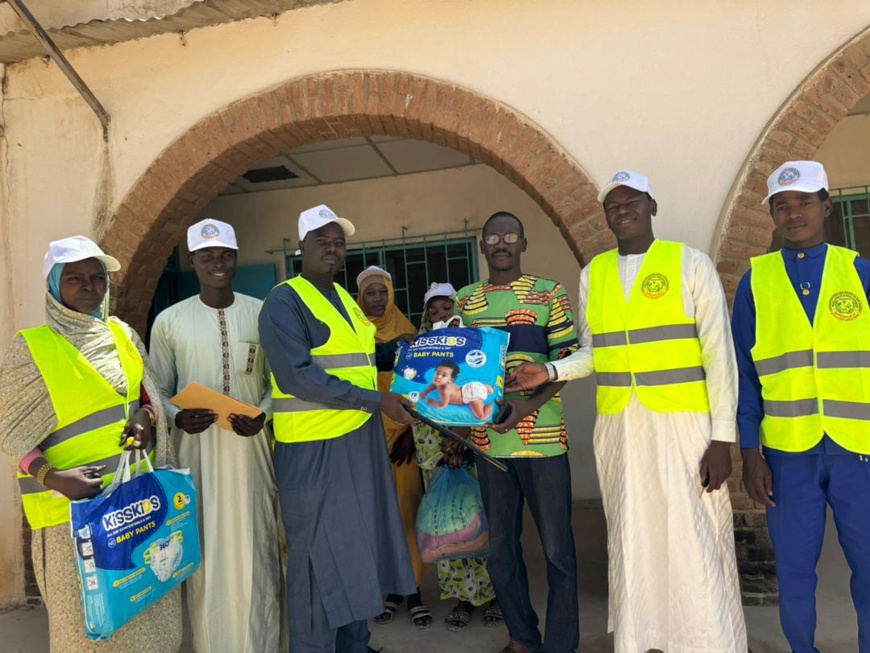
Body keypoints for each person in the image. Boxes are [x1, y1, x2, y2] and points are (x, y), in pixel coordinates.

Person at [508, 171, 747, 652]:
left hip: (685, 426)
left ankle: (708, 639)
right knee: (633, 533)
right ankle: (646, 638)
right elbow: (596, 351)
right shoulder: (593, 274)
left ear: (651, 206)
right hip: (620, 426)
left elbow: (720, 355)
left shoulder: (689, 263)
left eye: (631, 200)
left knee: (692, 534)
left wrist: (723, 439)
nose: (622, 209)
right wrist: (550, 371)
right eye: (612, 205)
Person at [0, 236, 182, 653]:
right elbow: (9, 429)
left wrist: (147, 416)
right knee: (89, 629)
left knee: (147, 606)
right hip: (73, 516)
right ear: (53, 286)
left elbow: (145, 393)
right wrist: (53, 477)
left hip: (136, 503)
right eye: (75, 278)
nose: (89, 287)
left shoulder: (122, 334)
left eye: (97, 278)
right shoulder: (32, 348)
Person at [258, 204, 417, 653]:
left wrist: (408, 354)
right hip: (313, 450)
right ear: (301, 247)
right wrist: (376, 400)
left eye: (339, 242)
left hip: (357, 441)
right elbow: (297, 376)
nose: (332, 248)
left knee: (356, 551)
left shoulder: (346, 300)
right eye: (321, 241)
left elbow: (360, 363)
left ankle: (354, 644)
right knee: (315, 563)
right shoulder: (284, 301)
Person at [731, 160, 870, 652]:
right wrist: (751, 453)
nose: (794, 213)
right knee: (794, 573)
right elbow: (745, 376)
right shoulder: (756, 282)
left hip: (860, 453)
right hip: (789, 457)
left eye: (804, 202)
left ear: (826, 206)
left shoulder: (859, 273)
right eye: (782, 205)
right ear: (771, 214)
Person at [149, 219, 283, 653]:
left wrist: (264, 414)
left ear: (237, 257)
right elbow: (157, 390)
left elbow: (277, 382)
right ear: (192, 261)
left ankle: (262, 643)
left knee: (257, 551)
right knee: (203, 555)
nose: (217, 263)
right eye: (206, 256)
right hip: (198, 456)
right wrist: (175, 416)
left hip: (251, 454)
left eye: (225, 254)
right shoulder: (169, 321)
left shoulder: (262, 312)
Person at [454, 211, 580, 653]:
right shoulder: (466, 301)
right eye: (493, 237)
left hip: (544, 442)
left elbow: (567, 363)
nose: (501, 243)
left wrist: (528, 404)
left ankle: (561, 645)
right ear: (483, 246)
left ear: (523, 243)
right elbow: (454, 369)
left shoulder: (549, 294)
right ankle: (523, 637)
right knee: (502, 554)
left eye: (510, 235)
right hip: (489, 444)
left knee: (558, 553)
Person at [412, 282, 500, 633]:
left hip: (475, 446)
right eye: (432, 311)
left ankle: (493, 596)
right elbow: (416, 397)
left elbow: (483, 392)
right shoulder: (421, 352)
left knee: (479, 522)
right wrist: (442, 446)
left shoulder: (476, 346)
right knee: (447, 527)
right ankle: (462, 598)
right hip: (435, 450)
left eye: (446, 308)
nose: (440, 315)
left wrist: (460, 440)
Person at [354, 265, 431, 630]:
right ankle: (390, 589)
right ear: (360, 297)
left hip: (403, 438)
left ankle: (413, 589)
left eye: (383, 292)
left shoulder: (409, 334)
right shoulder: (352, 334)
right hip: (364, 437)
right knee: (375, 517)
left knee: (407, 510)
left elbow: (423, 391)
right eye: (371, 292)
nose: (378, 298)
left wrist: (410, 434)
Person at [421, 361, 495, 420]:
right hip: (471, 386)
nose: (438, 377)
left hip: (470, 395)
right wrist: (425, 392)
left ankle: (494, 404)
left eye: (444, 375)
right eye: (437, 373)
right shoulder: (440, 383)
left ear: (451, 380)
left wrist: (432, 402)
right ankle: (490, 388)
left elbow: (443, 405)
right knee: (487, 389)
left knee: (482, 416)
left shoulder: (445, 391)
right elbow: (433, 385)